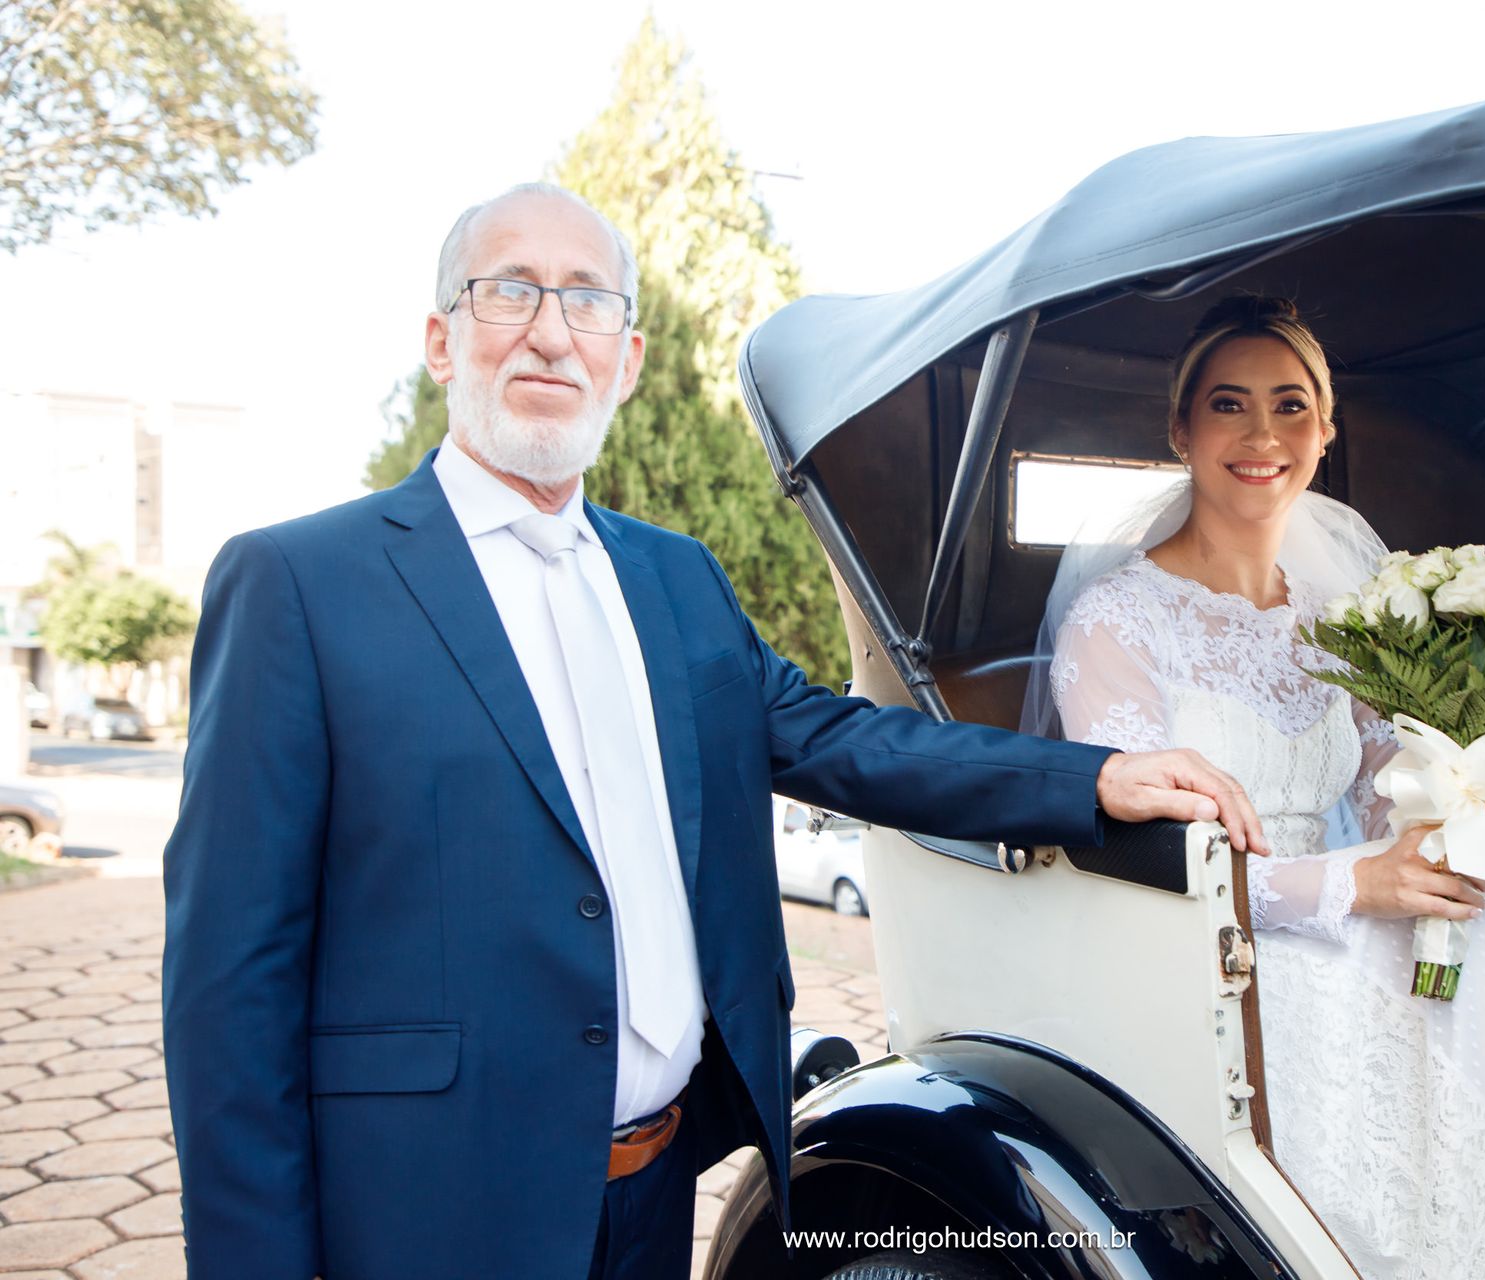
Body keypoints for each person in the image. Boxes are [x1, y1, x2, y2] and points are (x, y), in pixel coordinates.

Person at [160, 183, 1268, 1280]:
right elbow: (231, 978)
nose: (552, 330)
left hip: (654, 1192)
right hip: (425, 1205)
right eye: (512, 291)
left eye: (588, 301)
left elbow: (842, 739)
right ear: (442, 341)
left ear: (627, 360)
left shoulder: (675, 577)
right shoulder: (299, 581)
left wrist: (1099, 776)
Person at [1029, 296, 1485, 1280]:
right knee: (1481, 935)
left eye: (1291, 405)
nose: (1263, 435)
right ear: (1181, 429)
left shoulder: (1341, 607)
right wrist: (1356, 884)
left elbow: (1388, 776)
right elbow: (1157, 860)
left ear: (1325, 429)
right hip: (1227, 930)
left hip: (1352, 881)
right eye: (1229, 404)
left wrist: (1448, 815)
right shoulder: (1116, 622)